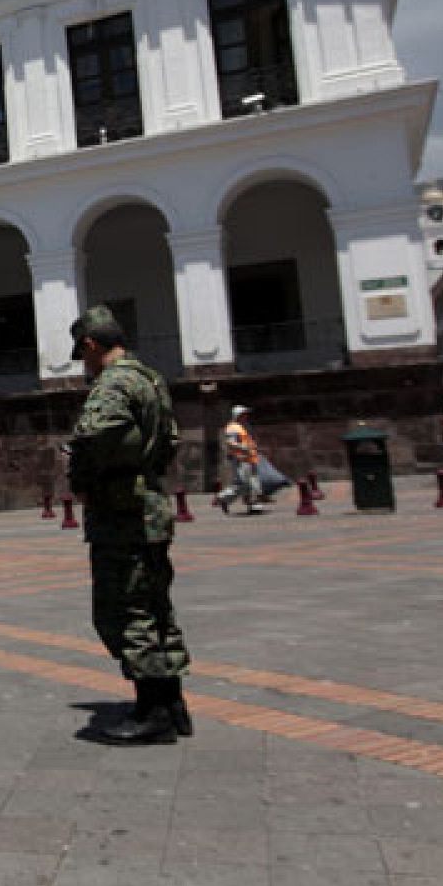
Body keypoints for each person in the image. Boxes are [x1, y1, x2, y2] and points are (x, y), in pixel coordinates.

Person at [67, 306, 192, 745]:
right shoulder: (150, 379)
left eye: (82, 355)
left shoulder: (113, 383)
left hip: (121, 513)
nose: (84, 365)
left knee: (125, 611)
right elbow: (170, 439)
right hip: (151, 507)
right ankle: (172, 702)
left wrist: (82, 476)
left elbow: (95, 433)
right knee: (156, 607)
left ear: (90, 344)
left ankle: (152, 713)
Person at [219, 405, 264, 513]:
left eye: (246, 414)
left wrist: (254, 447)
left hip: (250, 458)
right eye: (244, 414)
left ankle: (253, 505)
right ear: (238, 415)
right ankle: (224, 498)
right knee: (244, 484)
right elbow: (231, 442)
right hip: (241, 460)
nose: (246, 416)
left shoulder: (244, 426)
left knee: (254, 483)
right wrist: (243, 448)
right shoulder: (232, 427)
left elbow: (248, 440)